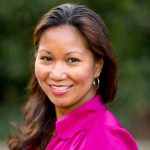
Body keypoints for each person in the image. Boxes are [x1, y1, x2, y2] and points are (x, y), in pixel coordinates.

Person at [8, 3, 138, 150]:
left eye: (72, 60)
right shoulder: (46, 124)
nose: (56, 74)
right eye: (47, 58)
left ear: (97, 66)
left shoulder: (104, 139)